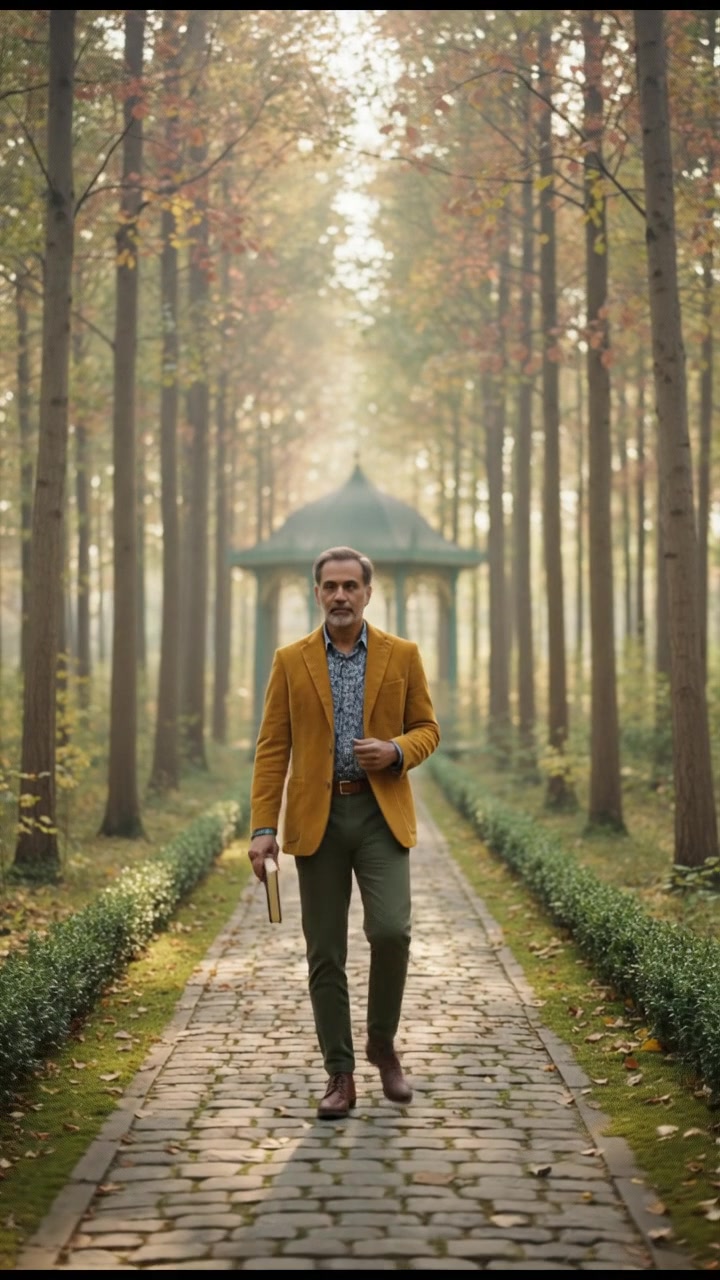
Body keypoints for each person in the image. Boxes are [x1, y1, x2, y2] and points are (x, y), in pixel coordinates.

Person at [248, 545, 440, 1119]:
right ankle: (341, 1073)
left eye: (350, 586)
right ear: (316, 593)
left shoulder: (402, 655)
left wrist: (397, 750)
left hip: (381, 817)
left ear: (367, 593)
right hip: (318, 821)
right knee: (325, 952)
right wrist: (263, 826)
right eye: (329, 586)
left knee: (391, 933)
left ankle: (382, 1042)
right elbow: (271, 749)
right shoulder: (290, 660)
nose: (339, 596)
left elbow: (428, 727)